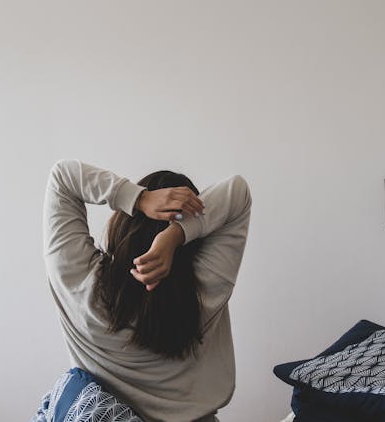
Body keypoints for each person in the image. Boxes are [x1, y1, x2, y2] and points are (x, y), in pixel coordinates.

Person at [43, 159, 252, 422]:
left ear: (124, 223)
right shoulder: (207, 288)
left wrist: (138, 199)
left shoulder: (81, 286)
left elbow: (64, 177)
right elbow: (238, 192)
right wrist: (175, 235)